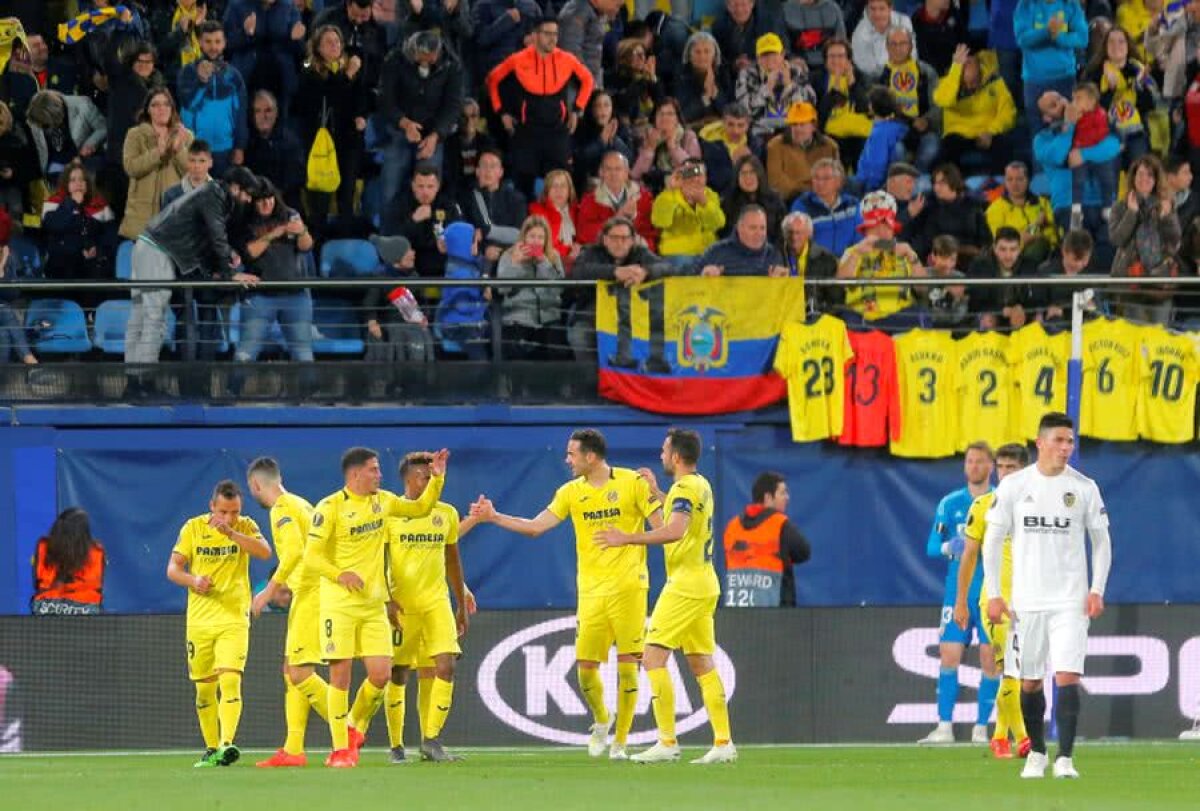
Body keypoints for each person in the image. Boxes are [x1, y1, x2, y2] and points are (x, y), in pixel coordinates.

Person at [470, 428, 663, 760]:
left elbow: (662, 528)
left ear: (590, 456)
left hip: (630, 587)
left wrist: (656, 495)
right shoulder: (571, 492)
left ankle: (620, 741)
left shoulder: (633, 482)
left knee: (629, 666)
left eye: (572, 454)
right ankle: (603, 719)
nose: (567, 460)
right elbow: (535, 527)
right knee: (585, 668)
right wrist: (493, 516)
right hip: (590, 592)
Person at [983, 412, 1112, 779]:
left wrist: (1096, 589)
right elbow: (992, 541)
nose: (1065, 448)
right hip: (1027, 602)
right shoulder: (1014, 486)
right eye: (1059, 440)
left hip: (1070, 601)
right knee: (1029, 681)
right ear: (1040, 443)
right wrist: (995, 594)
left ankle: (1066, 758)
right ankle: (1037, 753)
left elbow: (1102, 542)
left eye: (1070, 441)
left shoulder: (1084, 487)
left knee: (1067, 676)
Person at [595, 429, 735, 765]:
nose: (660, 455)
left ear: (675, 456)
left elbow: (675, 530)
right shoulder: (699, 484)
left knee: (653, 656)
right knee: (701, 662)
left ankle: (667, 741)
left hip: (685, 586)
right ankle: (723, 742)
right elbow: (682, 517)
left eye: (663, 450)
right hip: (704, 582)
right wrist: (657, 491)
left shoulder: (685, 488)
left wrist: (626, 537)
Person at [303, 446, 449, 768]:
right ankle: (340, 749)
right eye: (374, 470)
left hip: (372, 606)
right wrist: (340, 574)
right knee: (340, 675)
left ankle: (352, 725)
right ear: (355, 474)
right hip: (339, 605)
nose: (380, 475)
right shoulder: (329, 508)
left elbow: (421, 509)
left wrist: (437, 479)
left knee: (381, 676)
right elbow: (311, 556)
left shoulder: (383, 501)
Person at [355, 452, 473, 763]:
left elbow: (452, 559)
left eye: (434, 477)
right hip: (401, 604)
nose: (430, 482)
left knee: (444, 666)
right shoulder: (390, 513)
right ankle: (396, 745)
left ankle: (431, 740)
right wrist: (387, 599)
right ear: (408, 479)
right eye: (425, 476)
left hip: (436, 602)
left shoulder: (446, 513)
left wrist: (460, 601)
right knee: (398, 673)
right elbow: (377, 559)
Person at [124, 166, 262, 389]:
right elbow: (217, 237)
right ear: (235, 187)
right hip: (158, 250)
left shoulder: (211, 193)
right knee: (153, 319)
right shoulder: (214, 194)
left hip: (148, 246)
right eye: (246, 194)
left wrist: (224, 262)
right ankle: (144, 386)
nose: (247, 200)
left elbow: (203, 241)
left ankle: (132, 383)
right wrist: (230, 275)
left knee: (140, 317)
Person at [166, 479, 271, 768]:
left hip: (234, 618)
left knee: (231, 679)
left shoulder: (246, 526)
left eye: (234, 511)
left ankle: (227, 744)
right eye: (224, 512)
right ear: (212, 506)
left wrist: (233, 533)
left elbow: (264, 552)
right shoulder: (193, 528)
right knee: (204, 688)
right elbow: (173, 569)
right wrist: (193, 580)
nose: (229, 518)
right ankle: (211, 748)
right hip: (199, 621)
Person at [246, 458, 329, 768]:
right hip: (313, 592)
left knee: (299, 672)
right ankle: (293, 749)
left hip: (313, 593)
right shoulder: (301, 504)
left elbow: (294, 552)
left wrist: (267, 591)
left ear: (255, 485)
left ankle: (345, 728)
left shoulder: (282, 508)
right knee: (290, 669)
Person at [953, 443, 1032, 760]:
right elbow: (969, 557)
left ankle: (1000, 735)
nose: (1005, 473)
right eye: (1002, 467)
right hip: (996, 602)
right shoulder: (984, 506)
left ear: (1025, 470)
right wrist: (961, 601)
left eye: (1012, 468)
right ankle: (1025, 738)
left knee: (1020, 671)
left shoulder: (1037, 507)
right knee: (1013, 669)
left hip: (1031, 600)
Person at [917, 441, 998, 746]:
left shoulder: (1000, 502)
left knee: (990, 660)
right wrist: (951, 546)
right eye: (969, 461)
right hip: (958, 592)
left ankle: (981, 728)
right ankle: (944, 726)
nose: (974, 466)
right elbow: (931, 547)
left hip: (991, 592)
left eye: (980, 462)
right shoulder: (950, 504)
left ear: (990, 466)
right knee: (949, 655)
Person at [486, 16, 595, 198]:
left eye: (555, 34)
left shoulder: (567, 59)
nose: (552, 38)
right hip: (527, 132)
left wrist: (577, 109)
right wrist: (501, 112)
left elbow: (588, 80)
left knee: (561, 182)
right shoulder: (517, 59)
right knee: (524, 186)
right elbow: (492, 80)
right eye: (547, 34)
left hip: (556, 131)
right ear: (535, 36)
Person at [379, 30, 463, 228]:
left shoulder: (452, 64)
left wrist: (436, 135)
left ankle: (429, 237)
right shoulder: (395, 59)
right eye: (423, 58)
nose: (427, 62)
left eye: (431, 58)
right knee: (390, 188)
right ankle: (387, 238)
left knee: (429, 190)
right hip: (400, 131)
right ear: (414, 51)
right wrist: (404, 123)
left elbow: (453, 106)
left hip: (433, 135)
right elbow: (385, 99)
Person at [231, 180, 316, 366]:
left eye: (270, 198)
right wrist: (273, 234)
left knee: (303, 355)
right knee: (246, 353)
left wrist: (302, 232)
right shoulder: (244, 222)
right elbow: (250, 252)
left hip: (295, 294)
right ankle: (232, 393)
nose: (267, 203)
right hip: (260, 296)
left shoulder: (290, 214)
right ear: (252, 202)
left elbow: (306, 247)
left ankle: (309, 394)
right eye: (261, 200)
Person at [294, 24, 370, 231]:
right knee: (320, 201)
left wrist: (362, 115)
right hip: (321, 142)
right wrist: (348, 75)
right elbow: (329, 96)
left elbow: (362, 97)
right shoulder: (310, 72)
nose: (335, 45)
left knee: (347, 197)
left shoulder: (350, 68)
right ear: (318, 47)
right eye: (328, 42)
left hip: (348, 141)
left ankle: (344, 246)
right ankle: (318, 247)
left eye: (337, 41)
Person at [571, 215, 673, 360]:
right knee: (579, 336)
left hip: (634, 317)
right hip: (593, 315)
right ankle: (591, 380)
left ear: (632, 240)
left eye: (624, 238)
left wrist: (646, 272)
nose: (619, 243)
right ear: (605, 240)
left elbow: (668, 267)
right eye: (614, 238)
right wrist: (614, 272)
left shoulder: (640, 253)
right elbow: (578, 272)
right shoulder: (591, 252)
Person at [1108, 154, 1182, 325]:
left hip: (1159, 282)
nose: (1144, 179)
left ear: (1156, 180)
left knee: (1159, 334)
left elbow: (1175, 241)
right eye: (1140, 174)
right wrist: (1131, 213)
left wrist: (1166, 216)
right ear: (1133, 177)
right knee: (1135, 335)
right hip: (1131, 281)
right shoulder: (1120, 207)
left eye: (1150, 175)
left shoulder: (1166, 204)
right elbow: (1117, 239)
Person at [722, 471, 812, 607]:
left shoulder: (732, 527)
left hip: (737, 614)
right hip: (775, 616)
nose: (787, 497)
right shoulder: (780, 524)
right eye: (782, 493)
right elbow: (804, 552)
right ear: (768, 497)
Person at [836, 190, 925, 324]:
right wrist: (856, 255)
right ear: (865, 230)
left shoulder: (905, 251)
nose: (880, 232)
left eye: (885, 226)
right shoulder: (853, 251)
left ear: (893, 229)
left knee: (921, 314)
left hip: (900, 317)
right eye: (874, 227)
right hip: (864, 318)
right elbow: (840, 284)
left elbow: (922, 288)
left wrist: (912, 257)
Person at [175, 20, 248, 176]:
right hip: (195, 150)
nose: (213, 47)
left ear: (224, 43)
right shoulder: (187, 72)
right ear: (200, 42)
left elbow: (241, 114)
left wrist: (240, 146)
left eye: (217, 41)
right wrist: (201, 82)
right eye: (208, 41)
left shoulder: (234, 76)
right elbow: (187, 105)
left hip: (225, 149)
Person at [932, 44, 1017, 175]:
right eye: (966, 83)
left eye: (974, 82)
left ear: (981, 72)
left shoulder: (995, 81)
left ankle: (1000, 185)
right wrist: (956, 70)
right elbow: (943, 100)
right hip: (959, 136)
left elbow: (1009, 114)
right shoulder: (949, 82)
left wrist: (991, 131)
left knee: (1005, 144)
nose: (971, 87)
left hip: (988, 133)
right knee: (948, 146)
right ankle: (956, 187)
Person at [119, 87, 192, 240]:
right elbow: (131, 168)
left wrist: (178, 150)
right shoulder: (135, 135)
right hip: (141, 220)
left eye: (166, 104)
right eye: (155, 105)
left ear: (172, 109)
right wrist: (157, 153)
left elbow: (193, 174)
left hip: (173, 217)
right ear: (148, 110)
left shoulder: (186, 135)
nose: (162, 109)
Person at [496, 215, 567, 358]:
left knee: (556, 351)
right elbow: (502, 288)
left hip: (549, 319)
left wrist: (543, 263)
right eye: (532, 236)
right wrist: (516, 264)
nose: (536, 241)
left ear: (546, 240)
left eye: (541, 237)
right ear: (524, 237)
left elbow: (558, 288)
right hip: (517, 318)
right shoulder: (509, 256)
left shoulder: (553, 257)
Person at [1014, 0, 1087, 135]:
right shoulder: (1025, 5)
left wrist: (1058, 37)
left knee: (1070, 132)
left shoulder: (1070, 5)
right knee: (1039, 136)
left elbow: (1082, 38)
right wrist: (1046, 32)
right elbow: (1022, 39)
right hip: (1035, 80)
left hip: (1065, 79)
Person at [40, 159, 116, 286]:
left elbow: (110, 237)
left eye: (82, 180)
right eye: (73, 180)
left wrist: (97, 250)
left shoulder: (100, 206)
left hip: (92, 269)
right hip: (62, 271)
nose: (78, 183)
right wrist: (72, 203)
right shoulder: (54, 204)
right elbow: (54, 225)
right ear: (66, 184)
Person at [876, 26, 940, 172]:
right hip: (893, 131)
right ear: (887, 47)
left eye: (903, 43)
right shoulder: (879, 74)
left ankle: (915, 180)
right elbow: (874, 109)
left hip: (923, 129)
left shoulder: (926, 72)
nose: (898, 48)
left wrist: (927, 120)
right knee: (897, 151)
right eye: (894, 44)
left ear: (911, 46)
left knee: (931, 148)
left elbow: (938, 105)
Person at [735, 33, 816, 139]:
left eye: (774, 54)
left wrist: (789, 86)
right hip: (761, 131)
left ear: (782, 54)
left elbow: (810, 106)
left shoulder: (796, 72)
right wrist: (767, 89)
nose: (769, 60)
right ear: (757, 58)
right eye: (764, 55)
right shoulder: (746, 75)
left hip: (793, 129)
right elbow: (744, 110)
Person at [30, 507, 106, 616]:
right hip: (87, 608)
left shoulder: (43, 546)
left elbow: (38, 583)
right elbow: (98, 587)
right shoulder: (97, 551)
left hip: (45, 606)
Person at [460, 148, 526, 271]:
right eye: (484, 166)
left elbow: (519, 234)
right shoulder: (467, 199)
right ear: (477, 171)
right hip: (477, 256)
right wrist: (485, 249)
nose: (488, 171)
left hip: (510, 255)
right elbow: (467, 232)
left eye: (493, 166)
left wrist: (500, 251)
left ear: (501, 172)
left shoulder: (517, 199)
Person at [577, 151, 657, 249]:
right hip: (603, 252)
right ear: (601, 173)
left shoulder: (643, 197)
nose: (613, 174)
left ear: (627, 172)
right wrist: (618, 217)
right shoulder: (590, 200)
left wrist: (634, 217)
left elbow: (650, 233)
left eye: (618, 169)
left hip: (635, 251)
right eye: (608, 169)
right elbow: (584, 233)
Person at [651, 159, 725, 264]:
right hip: (677, 253)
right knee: (684, 263)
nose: (695, 179)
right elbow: (660, 222)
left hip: (706, 251)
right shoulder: (667, 196)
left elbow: (718, 224)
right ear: (680, 176)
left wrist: (704, 203)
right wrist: (670, 191)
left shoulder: (710, 196)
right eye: (689, 173)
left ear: (705, 178)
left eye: (699, 174)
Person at [24, 89, 107, 183]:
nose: (45, 128)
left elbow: (103, 128)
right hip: (57, 167)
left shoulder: (82, 105)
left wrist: (89, 145)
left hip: (82, 158)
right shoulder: (37, 120)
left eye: (46, 125)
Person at [969, 226, 1044, 329]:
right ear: (995, 248)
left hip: (1021, 312)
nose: (1008, 255)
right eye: (1003, 249)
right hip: (993, 311)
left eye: (1013, 249)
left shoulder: (1030, 265)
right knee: (987, 320)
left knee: (1038, 319)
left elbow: (1038, 297)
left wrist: (1022, 309)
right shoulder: (980, 265)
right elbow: (976, 302)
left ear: (1019, 249)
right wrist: (1002, 310)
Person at [765, 100, 840, 203]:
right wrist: (806, 192)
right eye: (794, 124)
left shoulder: (830, 146)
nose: (798, 129)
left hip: (824, 199)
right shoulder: (774, 146)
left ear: (813, 126)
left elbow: (837, 179)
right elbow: (776, 183)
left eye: (802, 124)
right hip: (789, 201)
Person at [1067, 82, 1118, 230]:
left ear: (1091, 101)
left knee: (1108, 179)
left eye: (1078, 99)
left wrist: (1086, 148)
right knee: (1078, 180)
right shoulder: (1074, 116)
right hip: (1079, 154)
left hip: (1097, 155)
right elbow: (1067, 134)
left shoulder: (1101, 114)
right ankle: (1076, 209)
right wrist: (1070, 122)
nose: (1074, 102)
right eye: (1073, 99)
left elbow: (1101, 135)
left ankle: (1108, 207)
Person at [985, 161, 1057, 264]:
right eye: (1010, 179)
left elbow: (1054, 234)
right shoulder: (995, 209)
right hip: (1010, 257)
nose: (1014, 184)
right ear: (1004, 181)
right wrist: (1037, 224)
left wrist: (1031, 235)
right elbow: (1006, 243)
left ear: (1028, 180)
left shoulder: (1044, 204)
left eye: (1019, 179)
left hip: (1049, 255)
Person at [243, 89, 304, 210]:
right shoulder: (246, 144)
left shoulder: (290, 143)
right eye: (257, 111)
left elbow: (295, 180)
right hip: (256, 206)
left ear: (276, 113)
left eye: (268, 110)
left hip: (285, 205)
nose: (263, 116)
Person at [790, 157, 861, 257]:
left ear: (838, 182)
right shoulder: (802, 205)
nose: (820, 183)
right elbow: (798, 240)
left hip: (850, 261)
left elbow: (860, 235)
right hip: (817, 264)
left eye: (826, 178)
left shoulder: (853, 204)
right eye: (816, 178)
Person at [632, 98, 702, 193]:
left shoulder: (688, 136)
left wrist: (673, 147)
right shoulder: (647, 137)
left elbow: (696, 171)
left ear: (677, 118)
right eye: (661, 114)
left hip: (683, 191)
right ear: (654, 119)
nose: (665, 118)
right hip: (654, 192)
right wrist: (650, 149)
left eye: (670, 114)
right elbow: (635, 176)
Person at [695, 205, 787, 276]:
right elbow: (692, 286)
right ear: (740, 228)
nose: (759, 233)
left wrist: (780, 283)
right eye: (753, 228)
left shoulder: (773, 255)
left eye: (762, 228)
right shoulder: (716, 252)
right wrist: (704, 277)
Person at [572, 90, 636, 189]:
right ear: (591, 109)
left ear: (612, 108)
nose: (602, 110)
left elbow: (630, 159)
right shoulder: (581, 128)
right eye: (597, 106)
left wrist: (614, 139)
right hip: (590, 182)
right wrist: (601, 141)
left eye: (606, 105)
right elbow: (579, 160)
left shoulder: (621, 127)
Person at [676, 31, 734, 126]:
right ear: (689, 56)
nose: (702, 56)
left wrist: (715, 94)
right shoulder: (681, 76)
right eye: (697, 52)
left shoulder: (724, 73)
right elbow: (683, 116)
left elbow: (731, 113)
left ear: (714, 55)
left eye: (707, 51)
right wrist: (706, 97)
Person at [856, 87, 908, 192]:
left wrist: (871, 189)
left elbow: (877, 164)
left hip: (868, 184)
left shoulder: (879, 133)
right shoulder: (898, 127)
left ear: (872, 107)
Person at [720, 155, 785, 239]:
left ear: (759, 174)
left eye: (752, 172)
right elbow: (725, 235)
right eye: (743, 173)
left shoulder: (774, 199)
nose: (748, 177)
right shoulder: (728, 202)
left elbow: (781, 234)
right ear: (737, 178)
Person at [851, 0, 918, 80]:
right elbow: (869, 69)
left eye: (882, 9)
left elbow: (912, 54)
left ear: (890, 8)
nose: (877, 14)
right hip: (875, 80)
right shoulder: (860, 33)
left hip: (905, 69)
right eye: (873, 9)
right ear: (867, 9)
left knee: (927, 71)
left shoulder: (903, 21)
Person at [528, 169, 581, 268]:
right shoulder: (537, 210)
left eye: (563, 186)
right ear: (547, 191)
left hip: (577, 261)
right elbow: (542, 245)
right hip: (547, 262)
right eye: (554, 186)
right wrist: (570, 251)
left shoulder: (578, 210)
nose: (559, 190)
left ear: (570, 190)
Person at [781, 0, 848, 78]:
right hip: (798, 67)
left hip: (829, 66)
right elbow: (783, 46)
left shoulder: (833, 9)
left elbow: (841, 43)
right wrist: (791, 59)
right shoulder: (785, 10)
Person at [162, 138, 213, 209]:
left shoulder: (219, 194)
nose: (196, 166)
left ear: (210, 163)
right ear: (187, 162)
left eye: (202, 161)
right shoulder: (171, 195)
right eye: (192, 160)